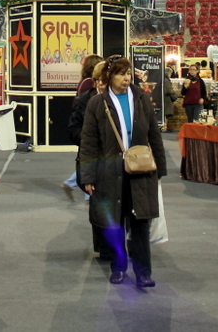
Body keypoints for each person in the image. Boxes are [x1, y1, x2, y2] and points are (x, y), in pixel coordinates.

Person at [80, 56, 166, 288]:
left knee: (140, 224)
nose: (126, 78)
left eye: (128, 73)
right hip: (109, 173)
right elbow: (88, 143)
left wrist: (160, 168)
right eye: (121, 74)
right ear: (109, 77)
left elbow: (153, 135)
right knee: (115, 223)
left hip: (140, 171)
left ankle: (143, 273)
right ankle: (118, 268)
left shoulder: (141, 99)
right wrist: (87, 177)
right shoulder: (97, 104)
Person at [62, 54, 104, 200]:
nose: (101, 84)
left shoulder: (84, 82)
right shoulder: (87, 87)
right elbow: (76, 127)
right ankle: (78, 187)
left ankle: (73, 185)